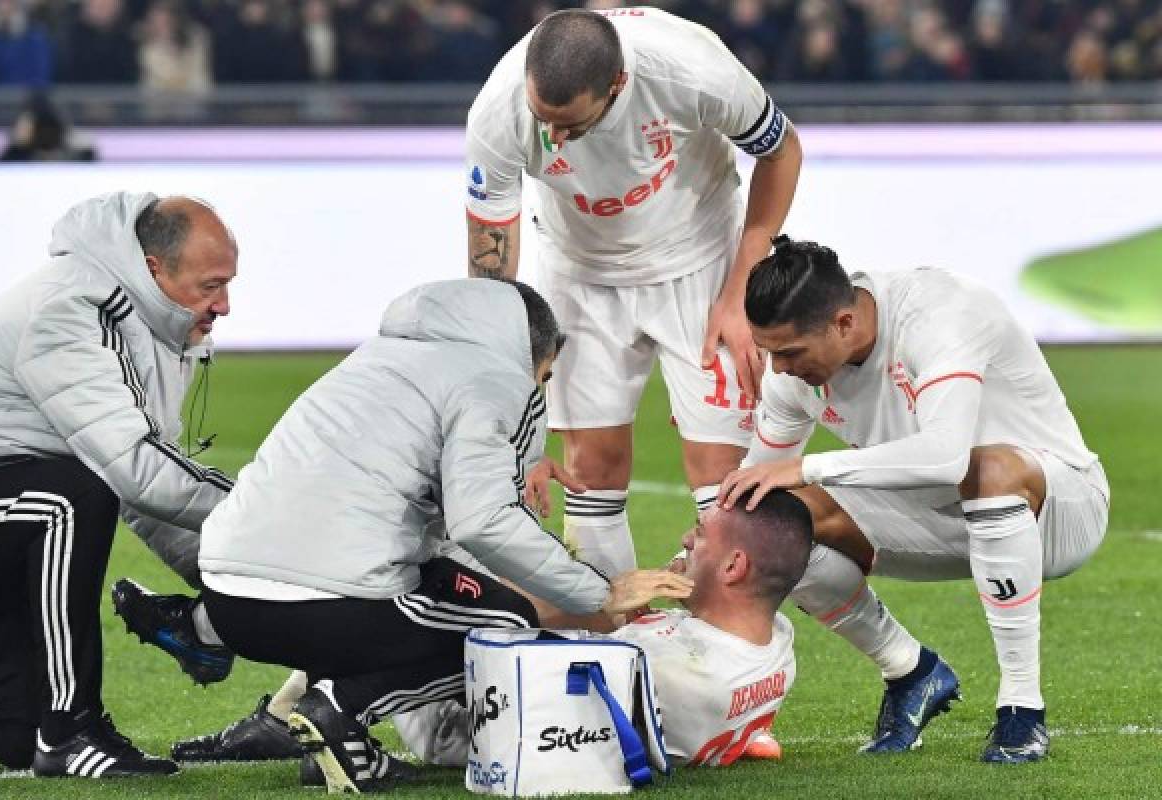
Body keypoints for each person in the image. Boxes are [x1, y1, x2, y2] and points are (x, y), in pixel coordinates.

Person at [112, 278, 693, 792]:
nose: (537, 392)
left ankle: (211, 639)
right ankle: (341, 711)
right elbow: (481, 519)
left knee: (397, 574)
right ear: (532, 353)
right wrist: (599, 592)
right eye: (543, 378)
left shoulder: (378, 359)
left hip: (229, 600)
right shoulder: (497, 378)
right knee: (506, 617)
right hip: (320, 604)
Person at [718, 237, 1110, 763]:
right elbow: (756, 480)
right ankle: (911, 671)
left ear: (843, 323)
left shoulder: (941, 314)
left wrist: (808, 467)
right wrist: (704, 550)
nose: (780, 369)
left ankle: (1021, 708)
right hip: (930, 517)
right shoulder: (791, 371)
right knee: (767, 521)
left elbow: (948, 458)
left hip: (1056, 511)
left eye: (789, 353)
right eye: (769, 353)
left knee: (986, 467)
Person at [465, 7, 802, 578]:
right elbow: (492, 264)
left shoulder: (694, 73)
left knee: (723, 479)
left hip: (699, 262)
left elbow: (781, 149)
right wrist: (509, 409)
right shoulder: (498, 112)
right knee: (590, 469)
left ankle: (727, 655)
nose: (554, 137)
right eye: (542, 118)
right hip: (579, 272)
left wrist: (740, 289)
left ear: (618, 85)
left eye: (572, 124)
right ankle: (612, 644)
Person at [0, 192, 238, 777]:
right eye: (211, 284)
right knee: (68, 498)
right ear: (155, 267)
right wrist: (270, 521)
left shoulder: (151, 324)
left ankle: (48, 731)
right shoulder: (71, 306)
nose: (226, 305)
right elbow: (134, 471)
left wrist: (229, 580)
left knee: (13, 733)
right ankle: (71, 730)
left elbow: (147, 492)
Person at [393, 491, 812, 771]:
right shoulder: (775, 639)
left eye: (699, 534)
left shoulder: (664, 668)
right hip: (586, 703)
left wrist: (602, 597)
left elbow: (511, 625)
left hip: (458, 725)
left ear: (734, 568)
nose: (686, 538)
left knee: (422, 550)